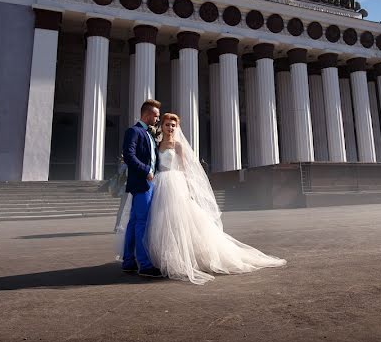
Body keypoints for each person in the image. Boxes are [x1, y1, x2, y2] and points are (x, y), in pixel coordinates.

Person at [142, 112, 286, 284]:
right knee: (163, 223)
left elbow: (185, 168)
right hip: (161, 184)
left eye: (173, 125)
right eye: (167, 124)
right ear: (162, 126)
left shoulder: (178, 145)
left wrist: (186, 187)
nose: (170, 128)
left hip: (175, 184)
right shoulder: (157, 145)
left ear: (176, 127)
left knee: (181, 221)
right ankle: (168, 258)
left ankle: (186, 258)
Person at [119, 99, 163, 278]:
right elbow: (128, 156)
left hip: (148, 183)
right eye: (156, 115)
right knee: (142, 223)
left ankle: (129, 261)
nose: (158, 119)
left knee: (134, 222)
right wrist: (146, 171)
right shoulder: (134, 131)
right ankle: (144, 265)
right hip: (142, 183)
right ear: (147, 114)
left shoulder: (150, 134)